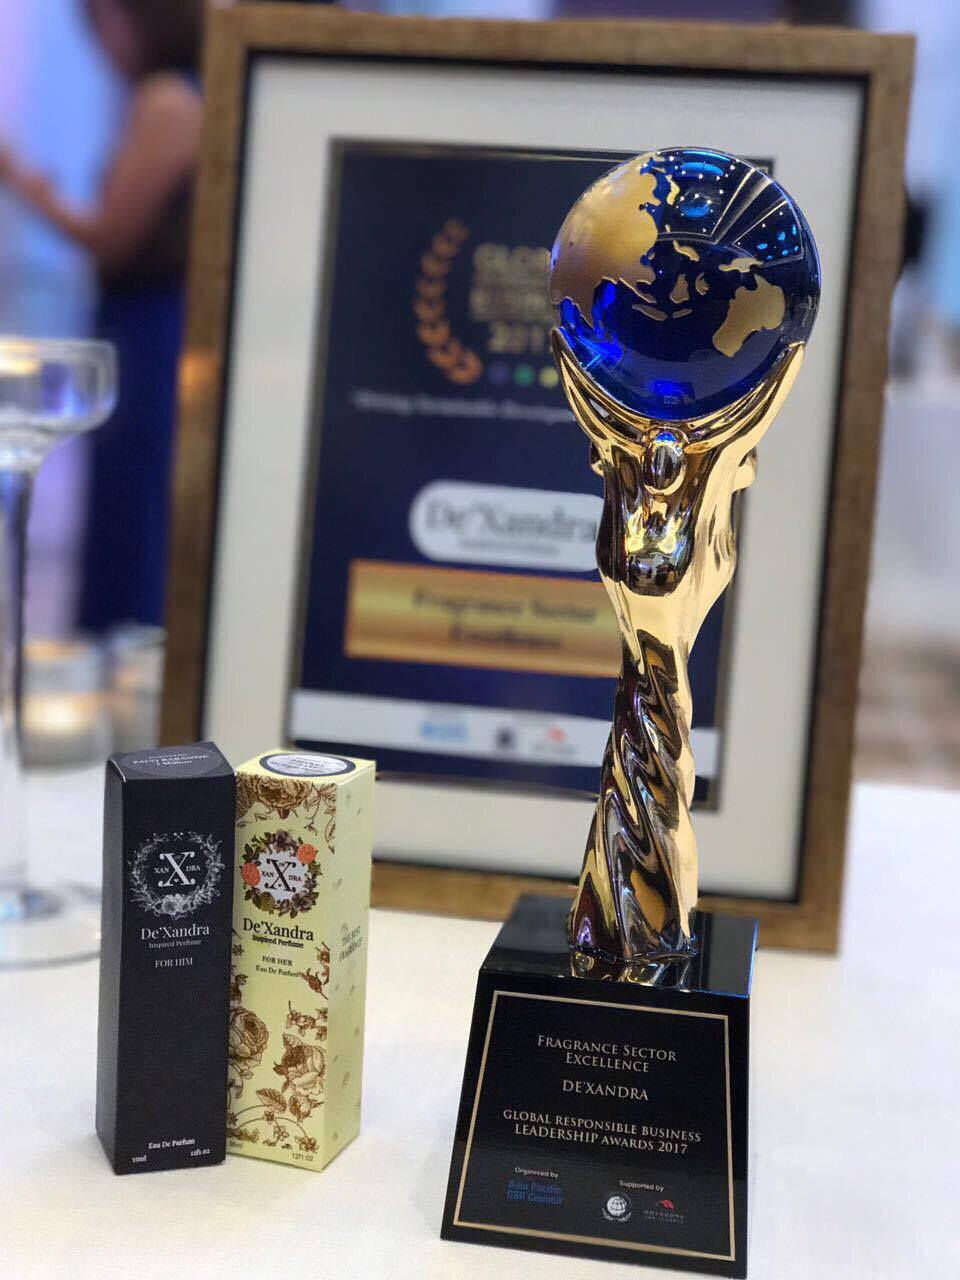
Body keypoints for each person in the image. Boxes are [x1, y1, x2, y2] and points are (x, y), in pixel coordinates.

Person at [0, 0, 204, 630]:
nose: (98, 44)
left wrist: (23, 184)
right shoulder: (175, 93)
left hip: (149, 333)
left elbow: (111, 237)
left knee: (134, 508)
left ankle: (121, 652)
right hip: (140, 325)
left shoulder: (168, 100)